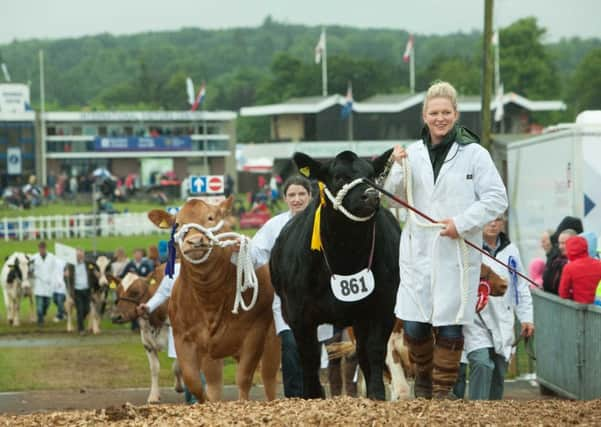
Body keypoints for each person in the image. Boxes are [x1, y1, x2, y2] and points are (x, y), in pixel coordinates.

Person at [384, 81, 508, 399]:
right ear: (424, 115)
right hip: (419, 251)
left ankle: (440, 394)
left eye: (446, 112)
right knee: (414, 325)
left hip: (456, 251)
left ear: (456, 114)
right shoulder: (411, 153)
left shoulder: (474, 154)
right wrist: (395, 166)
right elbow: (394, 199)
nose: (440, 118)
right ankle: (423, 377)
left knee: (451, 326)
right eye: (434, 112)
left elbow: (497, 198)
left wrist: (462, 223)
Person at [247, 175, 317, 398]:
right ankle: (294, 400)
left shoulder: (321, 220)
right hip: (287, 299)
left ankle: (315, 399)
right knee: (290, 345)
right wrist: (237, 250)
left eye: (301, 194)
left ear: (310, 196)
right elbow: (256, 253)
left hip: (320, 299)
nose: (297, 199)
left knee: (314, 349)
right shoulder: (275, 225)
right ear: (285, 198)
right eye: (292, 195)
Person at [459, 215, 534, 400]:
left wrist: (526, 317)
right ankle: (479, 410)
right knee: (482, 363)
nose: (493, 224)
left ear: (504, 222)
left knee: (499, 369)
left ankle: (494, 413)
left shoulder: (511, 251)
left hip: (503, 318)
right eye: (488, 219)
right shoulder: (468, 247)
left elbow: (520, 286)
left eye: (498, 219)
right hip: (475, 318)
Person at [542, 216, 583, 294]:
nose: (560, 246)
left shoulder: (559, 260)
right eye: (559, 243)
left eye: (563, 243)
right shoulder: (557, 259)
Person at [558, 235, 601, 304]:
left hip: (580, 310)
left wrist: (573, 295)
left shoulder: (569, 268)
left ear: (569, 249)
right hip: (598, 309)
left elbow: (563, 293)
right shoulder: (599, 264)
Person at [31, 242, 59, 326]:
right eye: (40, 248)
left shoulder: (52, 257)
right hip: (39, 284)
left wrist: (54, 280)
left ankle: (42, 314)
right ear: (38, 248)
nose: (42, 250)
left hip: (48, 284)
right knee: (39, 306)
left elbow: (55, 269)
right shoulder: (34, 258)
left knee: (46, 304)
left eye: (43, 248)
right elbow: (31, 270)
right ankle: (40, 321)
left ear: (45, 248)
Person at [73, 248, 91, 335]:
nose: (79, 257)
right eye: (78, 255)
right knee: (80, 309)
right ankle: (81, 329)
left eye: (81, 255)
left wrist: (96, 273)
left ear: (83, 255)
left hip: (86, 290)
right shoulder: (71, 265)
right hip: (77, 290)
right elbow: (64, 275)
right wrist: (65, 273)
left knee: (87, 309)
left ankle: (79, 322)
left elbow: (93, 270)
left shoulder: (88, 264)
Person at [52, 257, 68, 322]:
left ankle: (59, 316)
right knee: (55, 300)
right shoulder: (54, 260)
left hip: (62, 285)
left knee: (59, 300)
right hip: (55, 285)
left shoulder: (66, 262)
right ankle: (64, 313)